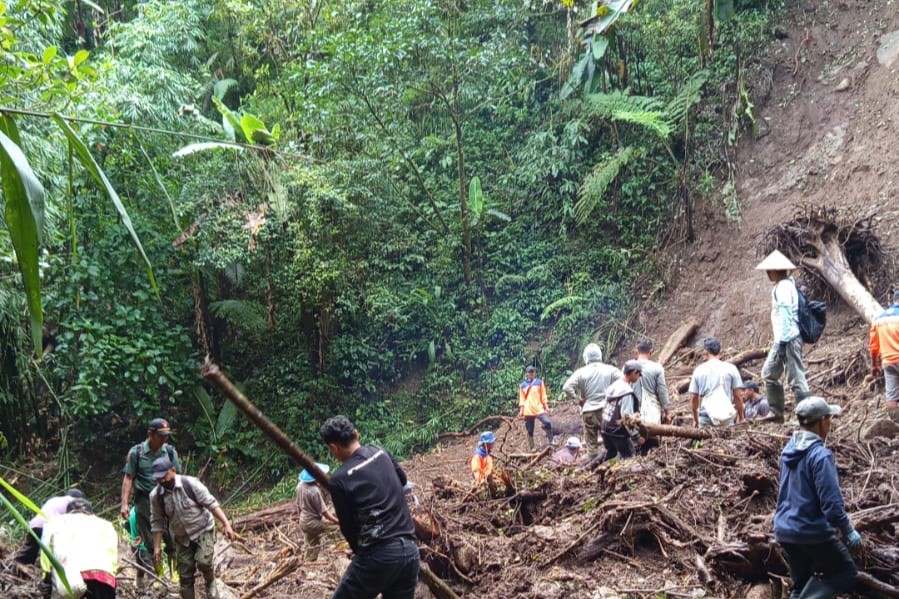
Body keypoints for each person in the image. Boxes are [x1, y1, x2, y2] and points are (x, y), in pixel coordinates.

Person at [320, 415, 419, 599]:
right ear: (356, 434)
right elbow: (403, 481)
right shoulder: (380, 451)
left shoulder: (339, 479)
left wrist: (364, 559)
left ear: (333, 447)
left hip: (379, 555)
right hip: (411, 551)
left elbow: (347, 528)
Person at [774, 397, 861, 598]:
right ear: (822, 421)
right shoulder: (820, 456)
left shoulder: (788, 450)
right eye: (829, 418)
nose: (830, 424)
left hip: (785, 529)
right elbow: (831, 505)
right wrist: (848, 531)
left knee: (801, 584)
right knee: (846, 572)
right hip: (810, 531)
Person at [150, 457, 236, 599]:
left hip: (203, 529)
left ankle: (210, 582)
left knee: (204, 562)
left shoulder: (190, 484)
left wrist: (226, 524)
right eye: (158, 479)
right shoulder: (156, 496)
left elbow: (211, 503)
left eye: (164, 476)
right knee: (185, 575)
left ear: (173, 470)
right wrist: (157, 548)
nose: (162, 481)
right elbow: (156, 522)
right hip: (182, 538)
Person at [120, 417, 181, 586]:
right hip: (144, 502)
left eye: (166, 435)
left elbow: (178, 476)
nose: (164, 439)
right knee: (149, 540)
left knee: (172, 537)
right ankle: (157, 576)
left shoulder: (169, 452)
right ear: (150, 434)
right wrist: (124, 504)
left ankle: (175, 574)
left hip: (167, 500)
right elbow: (128, 478)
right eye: (161, 435)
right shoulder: (137, 453)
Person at [756, 250, 811, 423]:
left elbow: (787, 314)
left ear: (777, 270)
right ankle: (776, 412)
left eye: (769, 270)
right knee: (769, 373)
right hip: (781, 340)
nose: (767, 273)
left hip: (788, 339)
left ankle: (806, 416)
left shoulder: (784, 287)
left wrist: (783, 342)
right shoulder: (783, 286)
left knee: (796, 378)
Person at [40, 498, 118, 599]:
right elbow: (113, 556)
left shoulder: (55, 522)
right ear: (90, 512)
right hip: (103, 575)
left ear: (69, 512)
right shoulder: (107, 525)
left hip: (71, 574)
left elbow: (46, 551)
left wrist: (46, 578)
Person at [563, 343, 622, 462]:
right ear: (600, 355)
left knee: (592, 446)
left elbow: (566, 387)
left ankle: (593, 466)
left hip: (588, 411)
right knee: (612, 439)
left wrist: (577, 399)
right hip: (607, 411)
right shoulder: (610, 369)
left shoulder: (581, 372)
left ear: (586, 357)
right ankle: (614, 463)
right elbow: (624, 380)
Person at [14, 488, 85, 564]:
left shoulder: (55, 499)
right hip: (49, 527)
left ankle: (16, 565)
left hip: (35, 524)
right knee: (57, 552)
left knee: (30, 550)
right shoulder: (73, 502)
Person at [688, 337, 745, 428]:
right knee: (728, 441)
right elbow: (738, 395)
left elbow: (694, 398)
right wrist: (741, 417)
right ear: (720, 352)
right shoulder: (731, 369)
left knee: (704, 441)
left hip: (705, 414)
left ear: (705, 352)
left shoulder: (699, 370)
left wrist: (695, 418)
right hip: (725, 414)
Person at [600, 361, 643, 461]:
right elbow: (627, 419)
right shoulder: (626, 392)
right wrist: (636, 437)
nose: (639, 377)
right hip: (617, 432)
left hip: (605, 429)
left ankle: (601, 472)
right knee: (630, 457)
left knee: (611, 455)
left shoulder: (614, 385)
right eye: (639, 374)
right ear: (634, 372)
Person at [296, 462, 339, 561]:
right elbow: (325, 513)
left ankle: (309, 564)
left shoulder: (299, 486)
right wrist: (338, 522)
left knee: (311, 546)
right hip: (312, 523)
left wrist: (299, 518)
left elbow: (297, 506)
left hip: (303, 522)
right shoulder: (314, 491)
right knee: (338, 529)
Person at [634, 339, 670, 454]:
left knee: (635, 441)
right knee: (653, 442)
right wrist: (666, 411)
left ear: (636, 352)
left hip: (633, 411)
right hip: (652, 411)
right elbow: (662, 391)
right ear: (651, 352)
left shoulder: (628, 368)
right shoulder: (657, 368)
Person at [869, 289, 899, 423]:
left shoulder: (879, 319)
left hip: (888, 362)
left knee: (891, 397)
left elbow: (874, 347)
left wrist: (874, 366)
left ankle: (897, 424)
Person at [518, 365, 554, 451]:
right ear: (527, 373)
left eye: (532, 372)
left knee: (547, 422)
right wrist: (521, 411)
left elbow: (543, 396)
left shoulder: (539, 382)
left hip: (539, 408)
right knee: (530, 430)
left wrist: (547, 407)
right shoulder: (522, 385)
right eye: (529, 372)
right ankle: (532, 447)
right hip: (528, 410)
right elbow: (522, 399)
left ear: (534, 373)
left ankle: (551, 440)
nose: (531, 373)